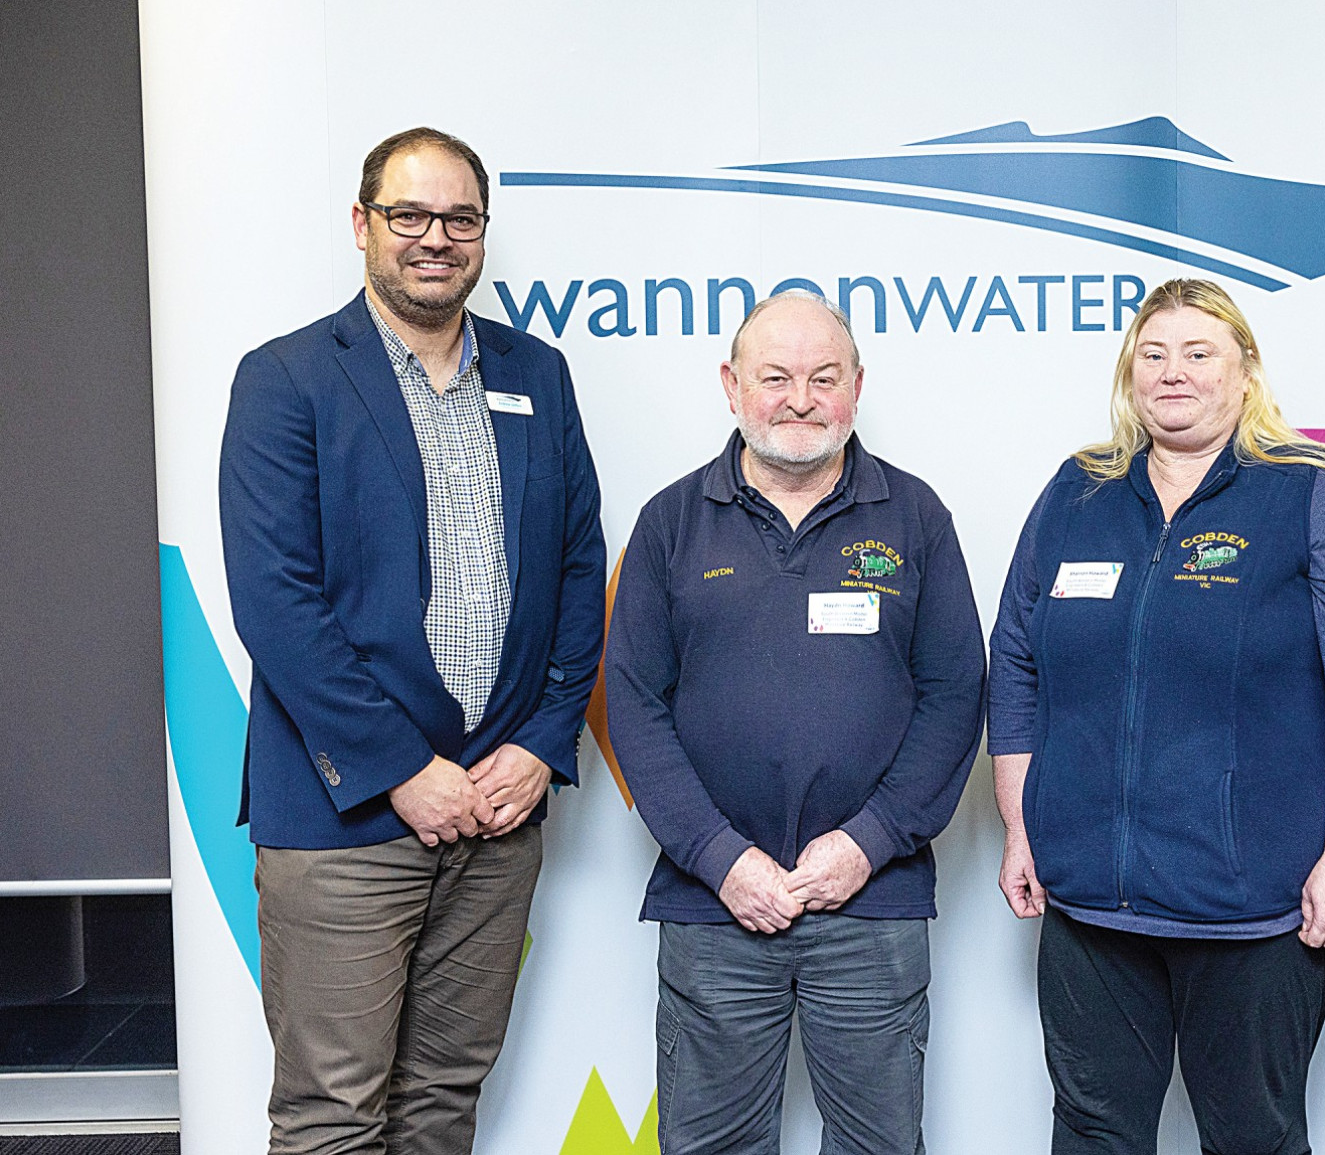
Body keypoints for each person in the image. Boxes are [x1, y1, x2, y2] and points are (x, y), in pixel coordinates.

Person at [219, 127, 607, 1154]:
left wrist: (539, 742)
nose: (435, 238)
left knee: (443, 1097)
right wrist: (402, 769)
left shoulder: (539, 375)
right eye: (410, 216)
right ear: (363, 225)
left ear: (483, 232)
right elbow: (277, 603)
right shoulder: (287, 378)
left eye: (460, 219)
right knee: (333, 1111)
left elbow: (576, 571)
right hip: (346, 811)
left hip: (496, 809)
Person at [987, 277, 1325, 1155]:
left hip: (1254, 910)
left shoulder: (1312, 495)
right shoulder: (1076, 494)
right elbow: (1018, 665)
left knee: (1251, 1139)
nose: (1172, 373)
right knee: (1093, 1133)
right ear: (1129, 372)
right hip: (1091, 907)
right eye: (1153, 354)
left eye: (1198, 352)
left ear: (1245, 371)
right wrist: (1021, 826)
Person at [605, 290, 985, 1154]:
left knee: (878, 1145)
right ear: (732, 386)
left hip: (873, 901)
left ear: (859, 385)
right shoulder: (670, 522)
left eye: (825, 376)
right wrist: (720, 858)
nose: (801, 399)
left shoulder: (916, 518)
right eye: (775, 377)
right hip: (714, 904)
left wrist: (868, 842)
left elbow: (955, 693)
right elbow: (633, 703)